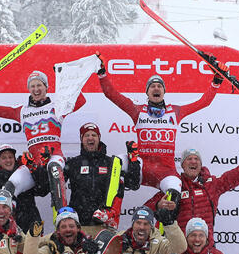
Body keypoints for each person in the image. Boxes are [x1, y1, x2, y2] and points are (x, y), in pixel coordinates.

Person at [96, 55, 226, 218]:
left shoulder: (175, 111)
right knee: (117, 162)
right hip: (142, 166)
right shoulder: (137, 110)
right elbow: (111, 94)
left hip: (166, 171)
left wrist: (217, 80)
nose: (156, 88)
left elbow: (203, 102)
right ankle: (110, 211)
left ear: (164, 92)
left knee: (174, 194)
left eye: (159, 86)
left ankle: (164, 233)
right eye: (152, 86)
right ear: (147, 92)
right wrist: (102, 73)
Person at [0, 70, 87, 211]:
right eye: (33, 86)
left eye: (39, 85)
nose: (36, 89)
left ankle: (62, 213)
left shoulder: (57, 107)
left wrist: (67, 80)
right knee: (10, 186)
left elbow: (81, 101)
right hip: (34, 162)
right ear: (29, 89)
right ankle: (6, 222)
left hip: (54, 157)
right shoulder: (22, 111)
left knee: (54, 170)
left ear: (46, 87)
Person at [146, 145, 239, 245]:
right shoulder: (174, 185)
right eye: (189, 159)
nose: (193, 161)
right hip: (179, 246)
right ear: (183, 165)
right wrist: (158, 205)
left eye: (196, 159)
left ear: (200, 165)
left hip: (205, 246)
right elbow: (146, 210)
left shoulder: (212, 185)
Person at [64, 122, 141, 237]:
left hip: (104, 225)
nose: (90, 138)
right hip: (79, 226)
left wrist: (134, 161)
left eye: (94, 135)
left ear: (99, 138)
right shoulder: (73, 163)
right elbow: (53, 187)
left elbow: (133, 184)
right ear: (81, 139)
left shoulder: (111, 163)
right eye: (86, 135)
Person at [0, 144, 49, 232]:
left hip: (31, 221)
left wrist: (35, 169)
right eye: (4, 158)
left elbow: (42, 191)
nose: (8, 160)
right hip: (9, 226)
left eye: (10, 157)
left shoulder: (25, 173)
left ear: (15, 159)